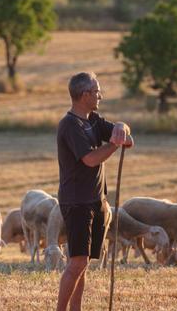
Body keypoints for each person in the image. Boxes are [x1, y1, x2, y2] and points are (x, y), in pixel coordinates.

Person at [56, 72, 133, 311]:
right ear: (84, 95)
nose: (100, 95)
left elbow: (126, 136)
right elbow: (90, 159)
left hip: (96, 200)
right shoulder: (71, 125)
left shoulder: (93, 121)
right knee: (77, 262)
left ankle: (76, 309)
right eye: (97, 91)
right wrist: (113, 144)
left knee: (83, 262)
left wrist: (121, 127)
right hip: (77, 202)